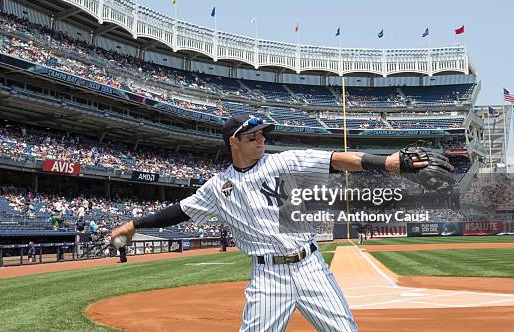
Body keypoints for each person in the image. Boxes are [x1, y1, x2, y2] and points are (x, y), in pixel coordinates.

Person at [111, 114, 433, 331]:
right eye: (253, 135)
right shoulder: (217, 188)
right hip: (267, 276)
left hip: (310, 266)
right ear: (234, 142)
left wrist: (386, 163)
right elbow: (179, 211)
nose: (261, 138)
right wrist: (135, 224)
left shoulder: (283, 162)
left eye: (263, 133)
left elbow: (334, 160)